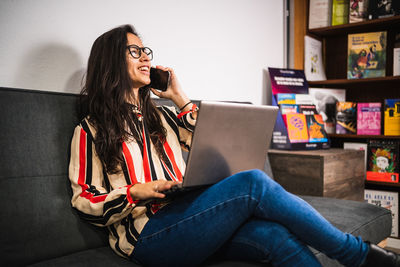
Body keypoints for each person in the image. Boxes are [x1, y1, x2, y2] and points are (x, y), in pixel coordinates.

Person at [68, 24, 399, 267]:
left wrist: (180, 97)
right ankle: (356, 254)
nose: (145, 58)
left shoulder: (163, 119)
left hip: (191, 215)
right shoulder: (91, 130)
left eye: (146, 51)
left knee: (275, 237)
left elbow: (211, 143)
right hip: (148, 237)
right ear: (112, 61)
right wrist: (134, 193)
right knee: (253, 182)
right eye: (135, 51)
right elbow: (84, 200)